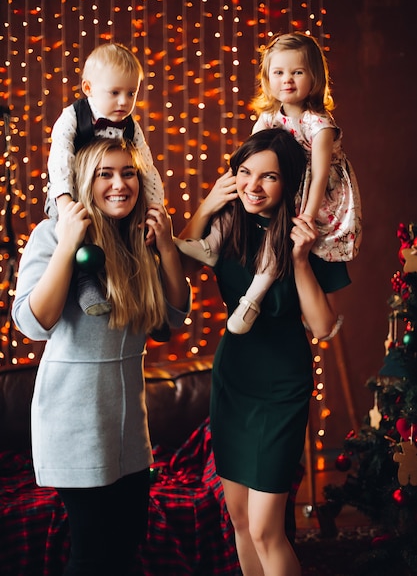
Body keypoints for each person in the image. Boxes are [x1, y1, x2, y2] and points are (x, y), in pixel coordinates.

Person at [12, 138, 191, 576]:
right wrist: (68, 244)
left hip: (128, 421)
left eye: (128, 173)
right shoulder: (53, 232)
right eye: (104, 174)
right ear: (83, 181)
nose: (119, 184)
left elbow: (173, 317)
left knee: (127, 546)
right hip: (73, 418)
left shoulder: (138, 236)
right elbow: (34, 323)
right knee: (92, 555)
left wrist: (167, 246)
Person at [179, 127, 350, 576]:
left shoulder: (310, 235)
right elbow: (178, 270)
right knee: (238, 518)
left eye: (268, 177)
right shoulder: (227, 224)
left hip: (282, 384)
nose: (253, 186)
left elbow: (321, 326)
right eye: (246, 173)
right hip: (233, 377)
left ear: (289, 181)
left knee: (265, 529)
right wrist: (206, 206)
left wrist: (298, 260)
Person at [175, 31, 361, 335]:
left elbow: (318, 178)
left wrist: (307, 221)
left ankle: (252, 300)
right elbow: (249, 158)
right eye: (278, 72)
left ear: (314, 78)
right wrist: (212, 203)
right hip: (232, 370)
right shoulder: (268, 118)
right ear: (267, 78)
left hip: (310, 196)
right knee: (233, 205)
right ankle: (210, 246)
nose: (287, 80)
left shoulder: (320, 125)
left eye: (297, 72)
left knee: (281, 239)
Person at [46, 42, 164, 317]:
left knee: (135, 238)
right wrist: (65, 204)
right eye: (115, 93)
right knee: (75, 235)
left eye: (131, 93)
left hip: (108, 199)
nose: (124, 102)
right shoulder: (73, 116)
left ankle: (151, 305)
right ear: (88, 89)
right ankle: (86, 287)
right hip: (69, 192)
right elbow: (60, 158)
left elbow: (146, 166)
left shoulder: (131, 125)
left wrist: (155, 206)